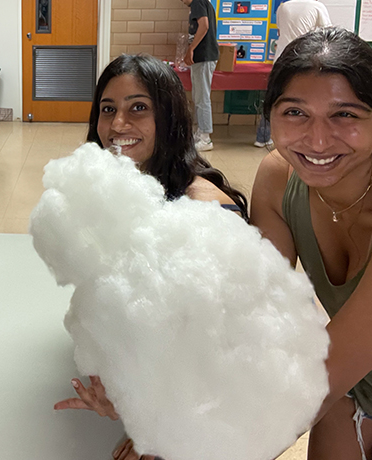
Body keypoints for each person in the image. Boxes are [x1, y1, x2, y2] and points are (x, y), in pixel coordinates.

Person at [56, 53, 248, 460]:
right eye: (108, 110)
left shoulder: (205, 211)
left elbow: (219, 352)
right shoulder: (125, 186)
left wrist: (152, 423)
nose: (118, 125)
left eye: (138, 108)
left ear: (169, 117)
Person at [251, 27, 372, 459]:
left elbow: (317, 384)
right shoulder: (277, 179)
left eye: (346, 115)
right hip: (353, 390)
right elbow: (256, 318)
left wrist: (178, 430)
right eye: (295, 113)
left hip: (338, 376)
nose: (318, 140)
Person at [254, 0, 331, 148]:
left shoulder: (284, 7)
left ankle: (262, 138)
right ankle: (296, 137)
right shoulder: (317, 7)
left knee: (275, 98)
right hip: (303, 60)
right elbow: (326, 35)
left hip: (281, 58)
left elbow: (280, 32)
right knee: (302, 102)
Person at [180, 0, 219, 152]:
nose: (182, 1)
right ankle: (200, 131)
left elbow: (204, 25)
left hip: (204, 56)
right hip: (202, 57)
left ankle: (205, 137)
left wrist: (191, 48)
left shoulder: (198, 2)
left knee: (202, 97)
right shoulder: (202, 3)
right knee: (198, 96)